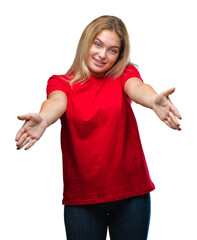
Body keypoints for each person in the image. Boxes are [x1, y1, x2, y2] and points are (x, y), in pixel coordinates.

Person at [15, 15, 182, 240]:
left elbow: (138, 88)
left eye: (113, 50)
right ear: (86, 42)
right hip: (82, 200)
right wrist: (44, 119)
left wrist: (153, 100)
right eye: (98, 44)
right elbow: (56, 102)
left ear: (119, 55)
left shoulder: (124, 74)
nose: (103, 55)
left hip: (131, 195)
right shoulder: (61, 83)